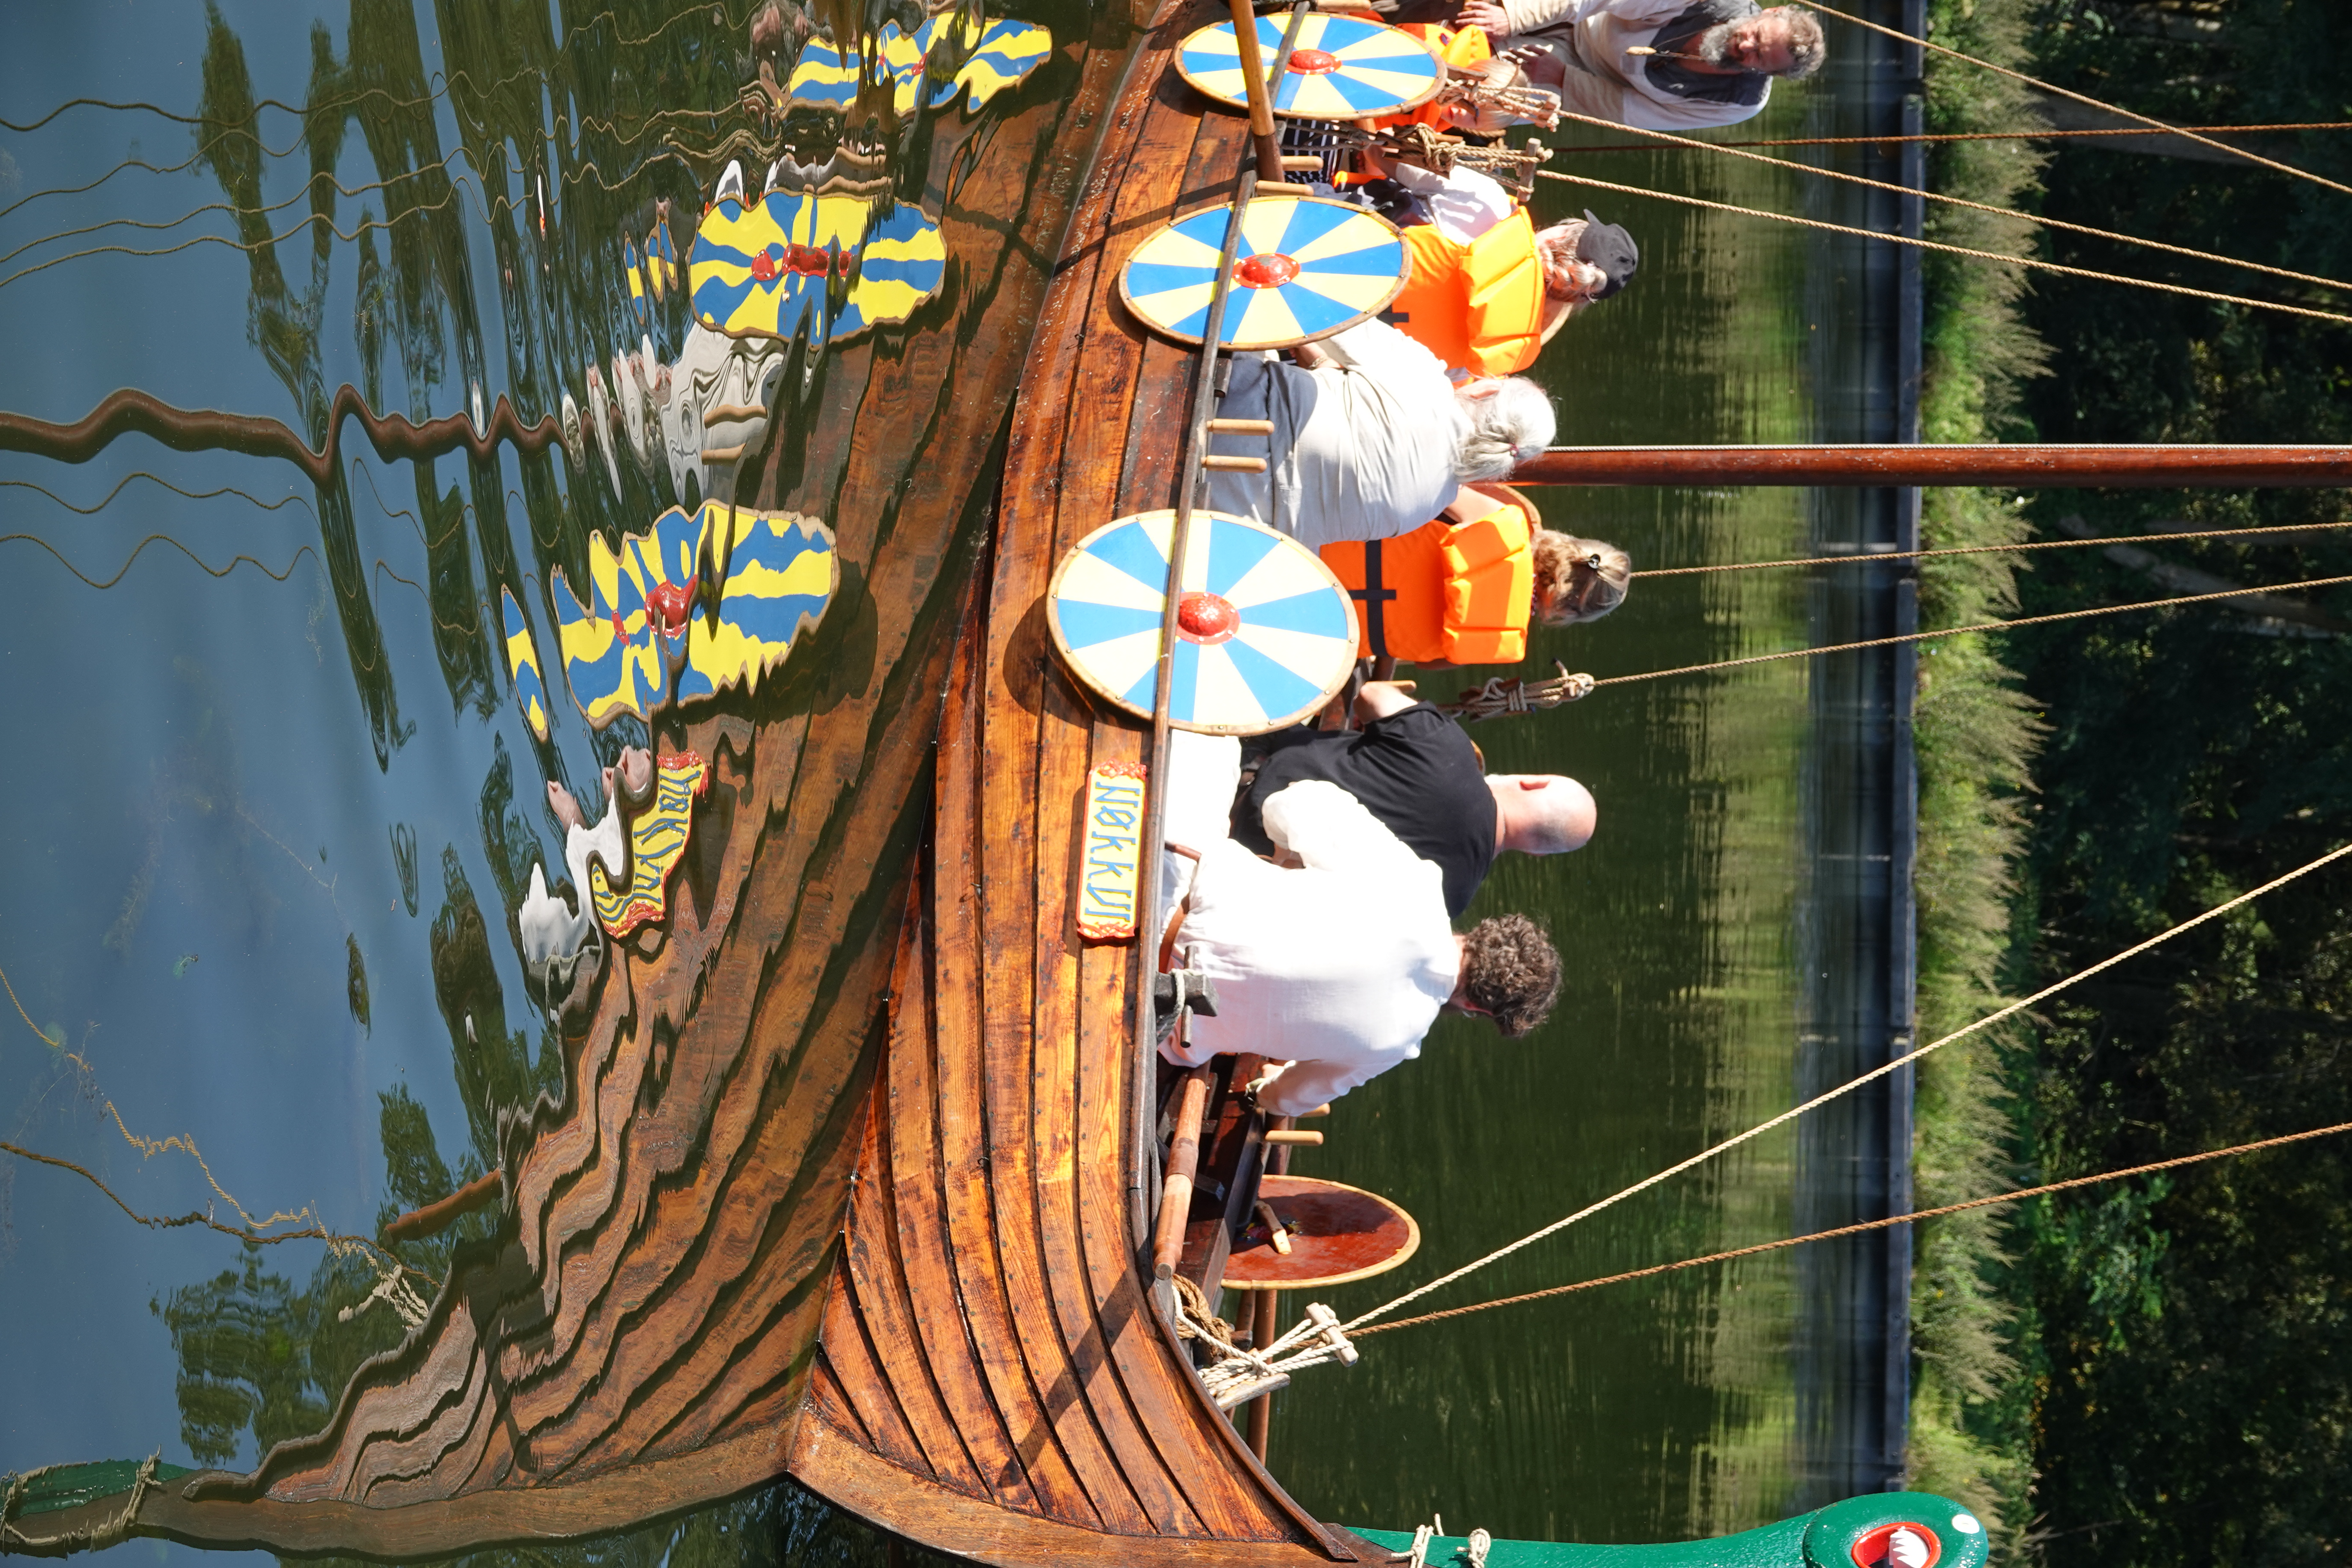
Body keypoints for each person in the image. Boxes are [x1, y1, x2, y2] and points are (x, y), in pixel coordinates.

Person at [1156, 736, 1562, 1117]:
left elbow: (1295, 802)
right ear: (1475, 1007)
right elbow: (1289, 1099)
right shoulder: (1393, 1048)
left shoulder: (1416, 886)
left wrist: (1285, 858)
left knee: (1215, 741)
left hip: (1164, 894)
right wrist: (1263, 1092)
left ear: (1485, 932)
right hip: (1156, 1016)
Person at [1234, 678, 1596, 919]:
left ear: (1534, 783)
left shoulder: (1447, 747)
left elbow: (1370, 696)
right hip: (1243, 867)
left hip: (1247, 769)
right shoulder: (1450, 902)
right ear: (1534, 853)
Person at [1204, 317, 1556, 550]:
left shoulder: (1424, 378)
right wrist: (1322, 368)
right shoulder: (1425, 510)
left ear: (1483, 392)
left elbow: (1324, 309)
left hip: (1215, 405)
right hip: (1212, 518)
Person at [1360, 155, 1638, 378]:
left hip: (1331, 236)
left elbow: (1382, 156)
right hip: (1336, 335)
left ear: (1561, 235)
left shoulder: (1489, 204)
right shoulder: (1503, 353)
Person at [1320, 483, 1632, 666]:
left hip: (1309, 547)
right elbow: (1426, 665)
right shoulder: (1498, 644)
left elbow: (1432, 484)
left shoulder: (1501, 524)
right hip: (1312, 625)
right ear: (1568, 611)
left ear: (1573, 546)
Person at [1461, 0, 1827, 132]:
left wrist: (1563, 78)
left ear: (1767, 75)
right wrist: (1514, 16)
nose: (1745, 45)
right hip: (1585, 14)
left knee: (1491, 95)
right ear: (1771, 12)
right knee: (1477, 17)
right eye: (1757, 35)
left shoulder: (1739, 104)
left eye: (1759, 57)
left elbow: (1629, 111)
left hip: (1582, 79)